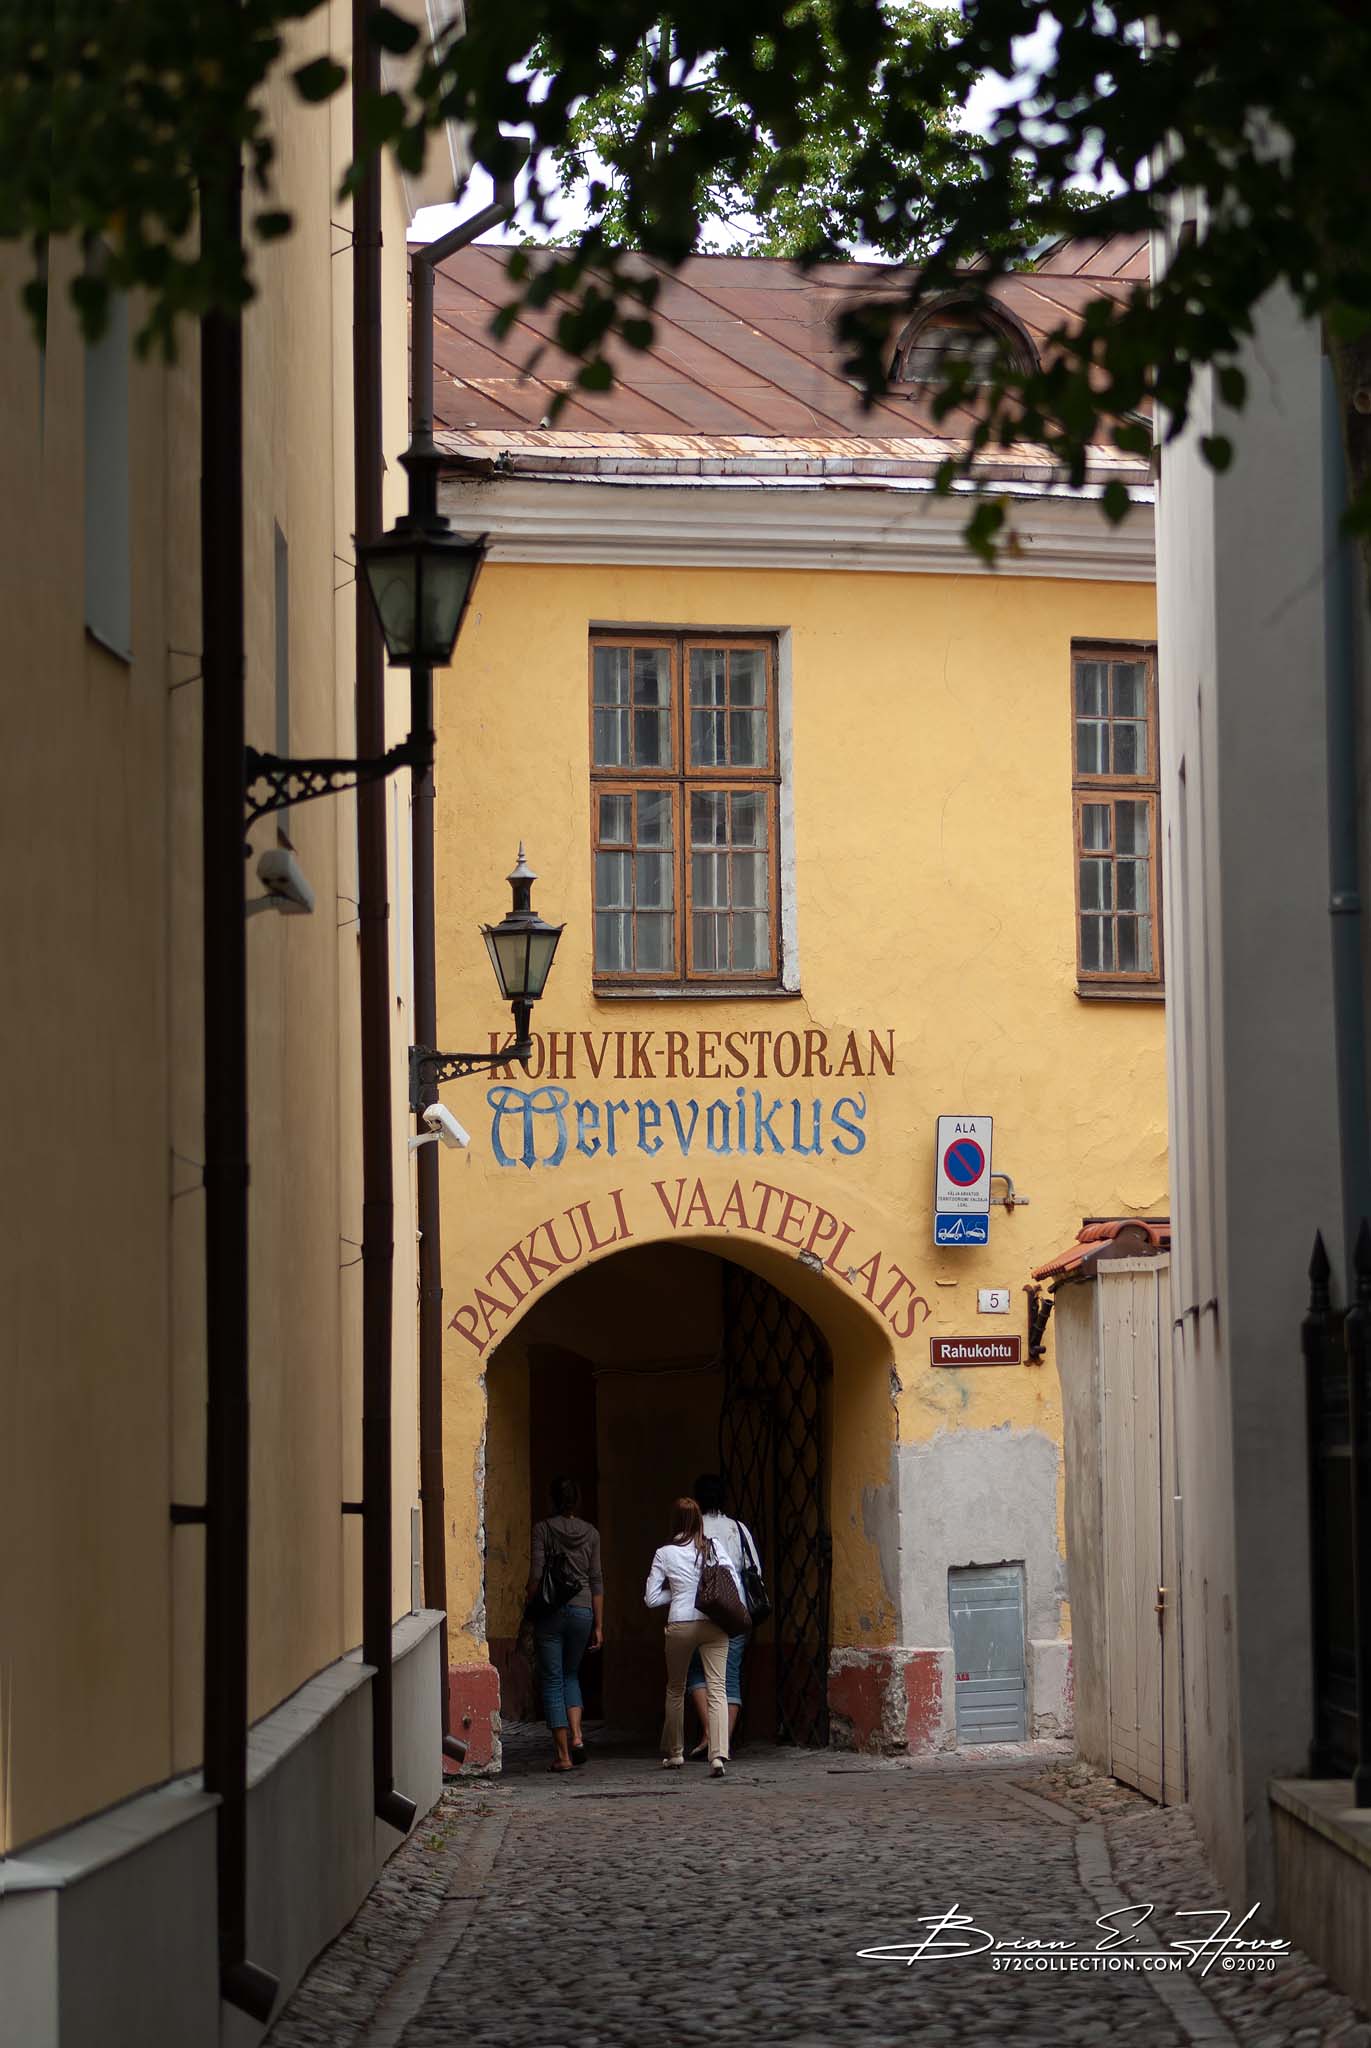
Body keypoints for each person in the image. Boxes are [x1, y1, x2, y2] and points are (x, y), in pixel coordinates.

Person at [644, 1495, 743, 1779]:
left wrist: (677, 1594)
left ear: (674, 1522)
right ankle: (718, 1755)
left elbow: (651, 1598)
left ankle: (676, 1752)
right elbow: (733, 1582)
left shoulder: (664, 1553)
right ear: (699, 1521)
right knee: (718, 1688)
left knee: (675, 1688)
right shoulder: (714, 1547)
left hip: (681, 1623)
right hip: (713, 1623)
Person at [527, 1476, 603, 1773]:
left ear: (552, 1499)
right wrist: (599, 1625)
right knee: (571, 1675)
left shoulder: (542, 1530)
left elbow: (536, 1576)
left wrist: (530, 1608)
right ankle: (578, 1737)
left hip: (551, 1611)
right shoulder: (591, 1533)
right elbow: (596, 1580)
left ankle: (563, 1756)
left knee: (552, 1680)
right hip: (583, 1611)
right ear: (577, 1501)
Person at [686, 1473, 760, 1760]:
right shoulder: (739, 1529)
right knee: (730, 1677)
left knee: (697, 1671)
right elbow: (755, 1571)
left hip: (700, 1611)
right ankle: (722, 1743)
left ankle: (709, 1735)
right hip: (735, 1612)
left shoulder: (692, 1530)